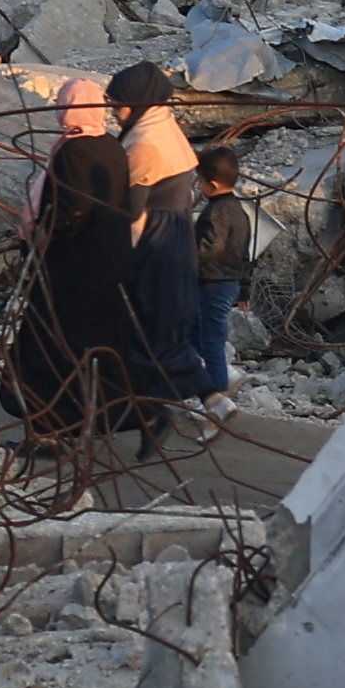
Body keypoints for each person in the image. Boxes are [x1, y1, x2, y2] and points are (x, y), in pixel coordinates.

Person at [2, 74, 149, 439]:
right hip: (109, 265)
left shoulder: (72, 151)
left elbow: (72, 209)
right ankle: (94, 416)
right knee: (95, 346)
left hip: (72, 269)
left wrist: (45, 239)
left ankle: (51, 424)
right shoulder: (112, 147)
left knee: (53, 345)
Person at [104, 64, 231, 424]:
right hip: (175, 234)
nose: (116, 112)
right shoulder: (163, 127)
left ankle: (194, 402)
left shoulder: (145, 142)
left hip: (155, 239)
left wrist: (114, 255)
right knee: (162, 325)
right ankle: (187, 401)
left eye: (120, 104)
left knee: (149, 324)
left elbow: (132, 210)